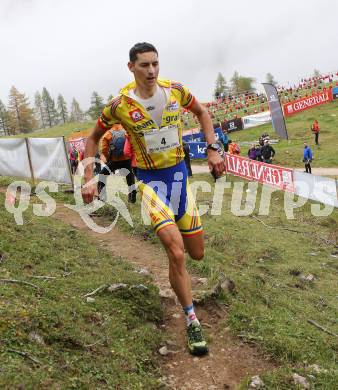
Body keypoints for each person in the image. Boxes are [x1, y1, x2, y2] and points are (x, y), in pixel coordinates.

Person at [81, 42, 225, 356]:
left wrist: (214, 147)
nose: (151, 71)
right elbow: (92, 138)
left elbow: (203, 114)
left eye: (155, 64)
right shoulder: (120, 105)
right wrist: (89, 175)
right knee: (176, 252)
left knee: (196, 253)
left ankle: (183, 286)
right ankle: (191, 320)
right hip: (149, 182)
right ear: (131, 67)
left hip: (179, 180)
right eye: (144, 65)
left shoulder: (175, 91)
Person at [98, 124, 137, 203]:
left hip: (114, 161)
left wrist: (108, 158)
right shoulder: (126, 130)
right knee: (130, 178)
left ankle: (102, 196)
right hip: (127, 160)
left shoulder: (108, 134)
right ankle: (132, 198)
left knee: (102, 174)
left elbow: (104, 149)